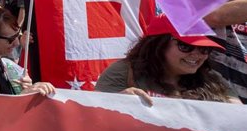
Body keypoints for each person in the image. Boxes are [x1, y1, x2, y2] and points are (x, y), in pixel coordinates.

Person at [95, 14, 240, 104]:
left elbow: (233, 119)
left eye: (204, 49)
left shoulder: (212, 79)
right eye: (185, 46)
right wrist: (116, 101)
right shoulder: (124, 72)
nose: (197, 55)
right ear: (158, 45)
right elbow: (93, 118)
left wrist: (233, 109)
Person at [0, 4, 55, 97]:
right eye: (10, 39)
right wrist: (24, 94)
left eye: (17, 35)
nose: (17, 43)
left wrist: (24, 87)